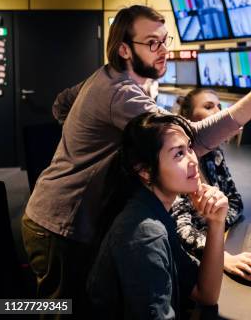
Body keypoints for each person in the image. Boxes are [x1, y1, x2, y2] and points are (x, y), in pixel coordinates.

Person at [21, 4, 251, 313]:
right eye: (152, 43)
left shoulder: (104, 77)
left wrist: (84, 144)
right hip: (62, 224)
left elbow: (61, 105)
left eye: (165, 40)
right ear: (125, 50)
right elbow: (193, 139)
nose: (163, 51)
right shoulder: (120, 94)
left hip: (64, 215)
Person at [87, 112, 228, 319]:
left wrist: (216, 222)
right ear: (145, 170)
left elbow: (205, 294)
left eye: (189, 148)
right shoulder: (146, 234)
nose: (193, 160)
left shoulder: (154, 210)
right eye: (178, 154)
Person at [173, 88, 251, 281]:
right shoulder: (176, 163)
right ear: (187, 118)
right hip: (184, 262)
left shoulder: (214, 153)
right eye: (208, 107)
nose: (218, 112)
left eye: (219, 106)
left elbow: (235, 201)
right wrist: (220, 254)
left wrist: (217, 224)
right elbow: (181, 230)